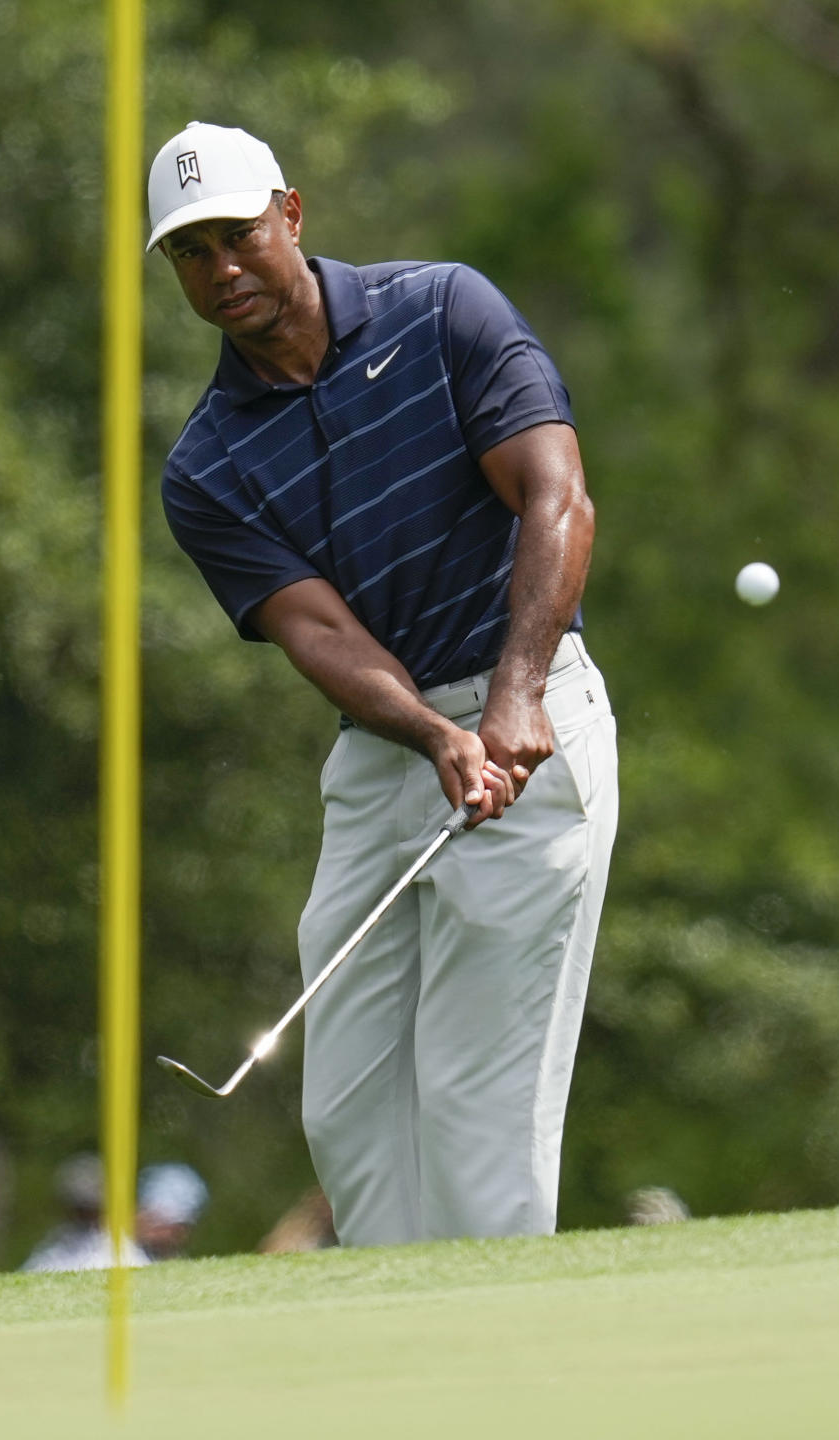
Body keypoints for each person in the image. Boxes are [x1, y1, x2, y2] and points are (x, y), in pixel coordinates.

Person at [146, 121, 619, 1247]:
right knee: (352, 1106)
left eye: (240, 237)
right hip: (385, 752)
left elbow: (557, 500)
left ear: (292, 215)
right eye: (191, 253)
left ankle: (504, 1380)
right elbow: (318, 632)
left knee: (476, 1101)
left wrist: (510, 698)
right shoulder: (206, 466)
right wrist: (428, 732)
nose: (222, 271)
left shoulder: (444, 312)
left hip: (531, 723)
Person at [20, 1153, 148, 1273]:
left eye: (88, 1209)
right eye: (77, 1208)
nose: (81, 1215)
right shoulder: (55, 1246)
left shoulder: (120, 1250)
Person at [135, 1162, 209, 1259]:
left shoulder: (176, 1262)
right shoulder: (115, 1256)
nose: (166, 1233)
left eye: (179, 1227)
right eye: (156, 1220)